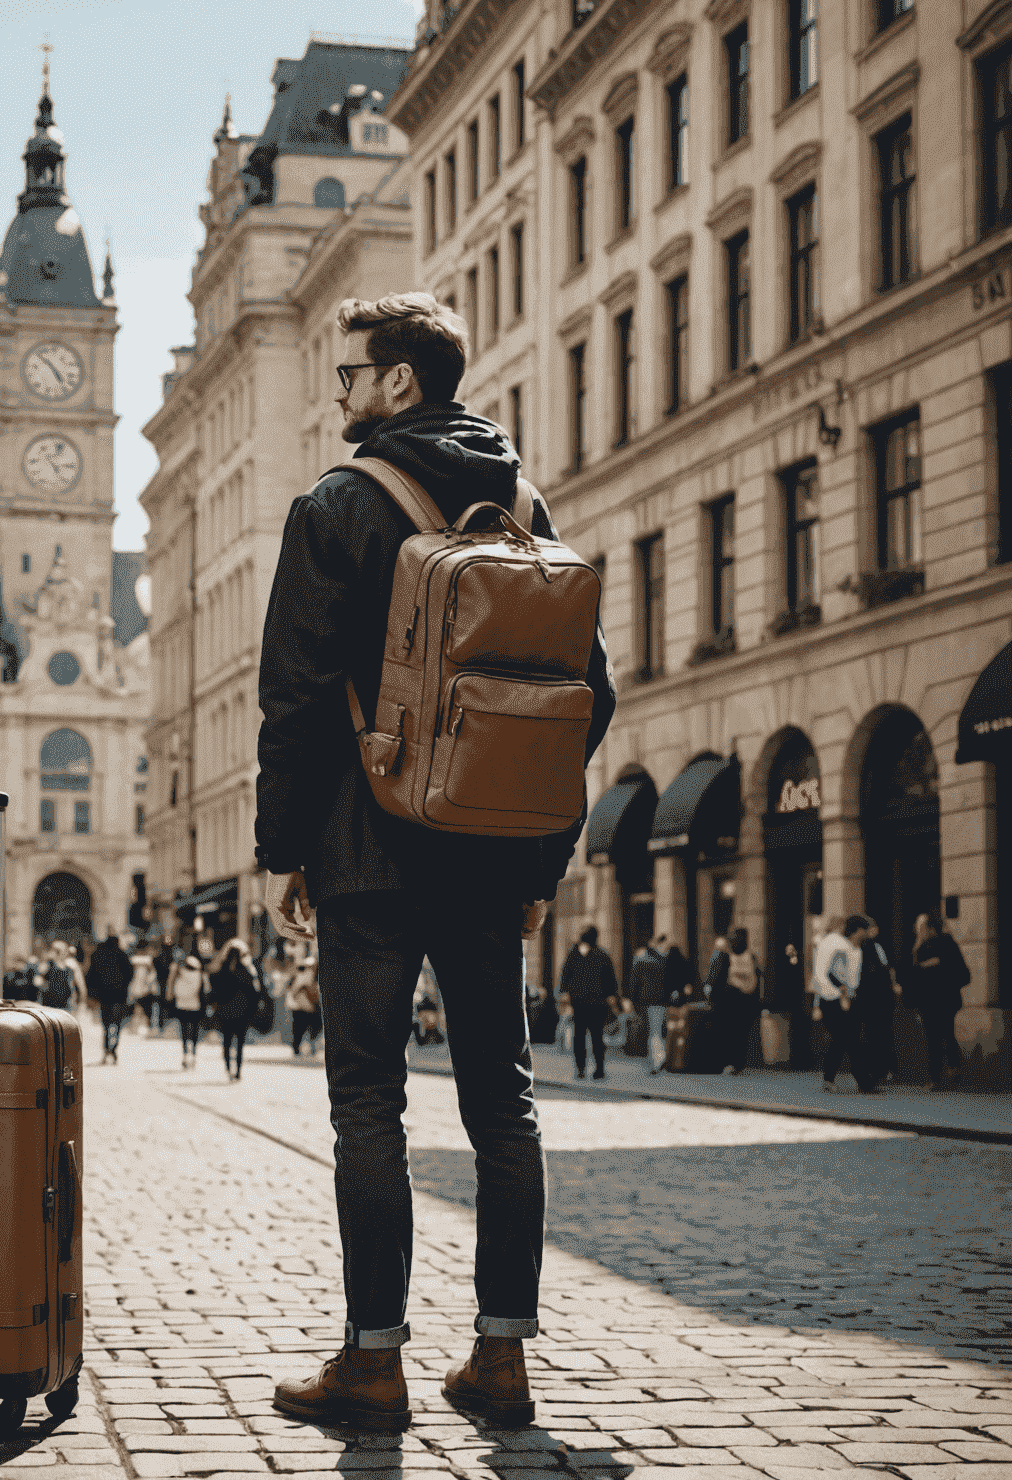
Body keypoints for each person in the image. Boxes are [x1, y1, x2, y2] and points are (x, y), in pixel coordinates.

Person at [256, 292, 615, 1432]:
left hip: (368, 847)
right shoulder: (521, 501)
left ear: (400, 383)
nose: (341, 392)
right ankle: (501, 1361)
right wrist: (535, 858)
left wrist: (286, 849)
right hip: (492, 853)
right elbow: (584, 697)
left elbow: (297, 697)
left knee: (370, 1106)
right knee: (503, 1104)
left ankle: (373, 1364)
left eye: (352, 372)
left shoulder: (335, 505)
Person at [908, 912, 969, 1090]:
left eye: (921, 926)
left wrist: (934, 966)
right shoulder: (924, 946)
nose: (918, 929)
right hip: (941, 1000)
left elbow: (961, 973)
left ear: (929, 928)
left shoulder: (935, 945)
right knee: (945, 1034)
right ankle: (951, 1068)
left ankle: (936, 1078)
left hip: (936, 1000)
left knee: (935, 1038)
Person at [813, 915, 871, 1093]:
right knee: (846, 1039)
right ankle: (861, 1081)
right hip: (835, 1000)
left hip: (844, 999)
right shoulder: (835, 945)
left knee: (845, 1039)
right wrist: (839, 994)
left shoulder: (851, 947)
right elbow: (826, 974)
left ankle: (832, 1079)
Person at [558, 926, 618, 1081]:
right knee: (596, 1037)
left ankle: (581, 1069)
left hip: (581, 1003)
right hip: (595, 1003)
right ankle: (598, 1069)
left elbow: (565, 976)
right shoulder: (601, 954)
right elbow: (610, 979)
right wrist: (611, 995)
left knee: (581, 1037)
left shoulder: (574, 954)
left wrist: (565, 993)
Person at [708, 927, 761, 1075]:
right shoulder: (750, 957)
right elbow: (757, 980)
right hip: (741, 1002)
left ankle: (731, 1064)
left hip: (733, 1002)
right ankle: (736, 1064)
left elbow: (716, 980)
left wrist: (712, 999)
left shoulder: (727, 957)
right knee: (739, 1035)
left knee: (731, 1034)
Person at [856, 917, 898, 1087]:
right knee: (878, 1035)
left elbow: (887, 970)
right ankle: (880, 1071)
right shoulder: (867, 947)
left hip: (878, 998)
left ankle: (883, 1071)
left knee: (879, 1035)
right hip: (875, 998)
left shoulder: (874, 947)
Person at [209, 939, 257, 1080]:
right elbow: (254, 992)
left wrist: (215, 1005)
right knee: (240, 1043)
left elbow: (214, 989)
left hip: (226, 1012)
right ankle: (238, 1071)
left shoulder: (222, 971)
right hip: (242, 1012)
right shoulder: (246, 971)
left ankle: (228, 1067)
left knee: (227, 1041)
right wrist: (252, 1010)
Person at [624, 932, 671, 1073]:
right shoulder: (662, 960)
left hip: (647, 1001)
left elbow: (634, 983)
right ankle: (657, 1060)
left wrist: (632, 1000)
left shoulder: (640, 960)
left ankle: (657, 1061)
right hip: (661, 1001)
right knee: (657, 1030)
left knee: (653, 1031)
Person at [87, 932, 134, 1064]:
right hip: (119, 995)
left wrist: (93, 994)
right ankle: (113, 1050)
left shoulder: (98, 955)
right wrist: (123, 985)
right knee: (117, 1024)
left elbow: (91, 975)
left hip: (105, 995)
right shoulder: (122, 955)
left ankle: (107, 1049)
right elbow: (130, 973)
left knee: (106, 1024)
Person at [167, 954, 206, 1069]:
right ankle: (193, 1054)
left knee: (184, 1032)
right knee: (194, 1032)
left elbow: (174, 989)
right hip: (195, 1006)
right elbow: (204, 992)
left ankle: (185, 1054)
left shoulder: (180, 974)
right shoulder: (200, 976)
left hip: (182, 1006)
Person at [285, 955, 322, 1056]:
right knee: (298, 1030)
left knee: (315, 1028)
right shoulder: (301, 976)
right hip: (300, 1008)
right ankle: (296, 1048)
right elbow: (294, 992)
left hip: (310, 1008)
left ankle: (311, 1047)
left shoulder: (314, 977)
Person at [38, 941, 83, 1013]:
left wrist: (81, 1002)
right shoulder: (47, 964)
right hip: (49, 1006)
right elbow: (38, 982)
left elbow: (79, 986)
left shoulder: (71, 965)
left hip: (66, 1006)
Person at [130, 945, 160, 1035]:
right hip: (143, 990)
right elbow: (153, 975)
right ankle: (141, 1028)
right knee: (144, 1010)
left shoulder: (137, 963)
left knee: (142, 1010)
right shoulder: (147, 962)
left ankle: (140, 1028)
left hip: (140, 990)